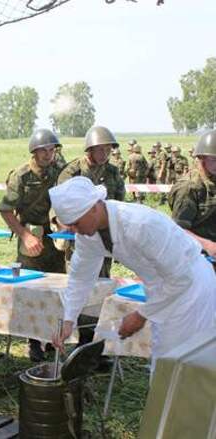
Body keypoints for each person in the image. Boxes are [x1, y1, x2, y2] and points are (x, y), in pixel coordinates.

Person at [50, 176, 216, 370]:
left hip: (192, 290)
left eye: (77, 223)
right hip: (163, 288)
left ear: (94, 207)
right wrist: (69, 319)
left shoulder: (141, 224)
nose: (75, 231)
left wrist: (141, 315)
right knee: (165, 362)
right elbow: (80, 277)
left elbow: (181, 278)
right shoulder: (88, 234)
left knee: (183, 365)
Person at [0, 128, 65, 362]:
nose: (48, 155)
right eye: (43, 151)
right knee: (31, 289)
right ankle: (33, 341)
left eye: (52, 150)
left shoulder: (60, 172)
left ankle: (55, 340)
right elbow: (5, 210)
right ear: (34, 152)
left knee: (58, 290)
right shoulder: (22, 176)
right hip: (30, 234)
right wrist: (25, 235)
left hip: (56, 237)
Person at [56, 125, 125, 277]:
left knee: (103, 282)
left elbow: (119, 203)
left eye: (108, 150)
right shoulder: (73, 172)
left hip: (104, 236)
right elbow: (60, 206)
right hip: (78, 236)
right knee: (78, 281)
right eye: (101, 150)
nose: (105, 154)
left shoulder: (112, 172)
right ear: (90, 149)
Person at [169, 130, 216, 258]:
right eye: (214, 159)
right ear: (201, 158)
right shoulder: (188, 188)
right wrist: (208, 245)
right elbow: (178, 230)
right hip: (198, 256)